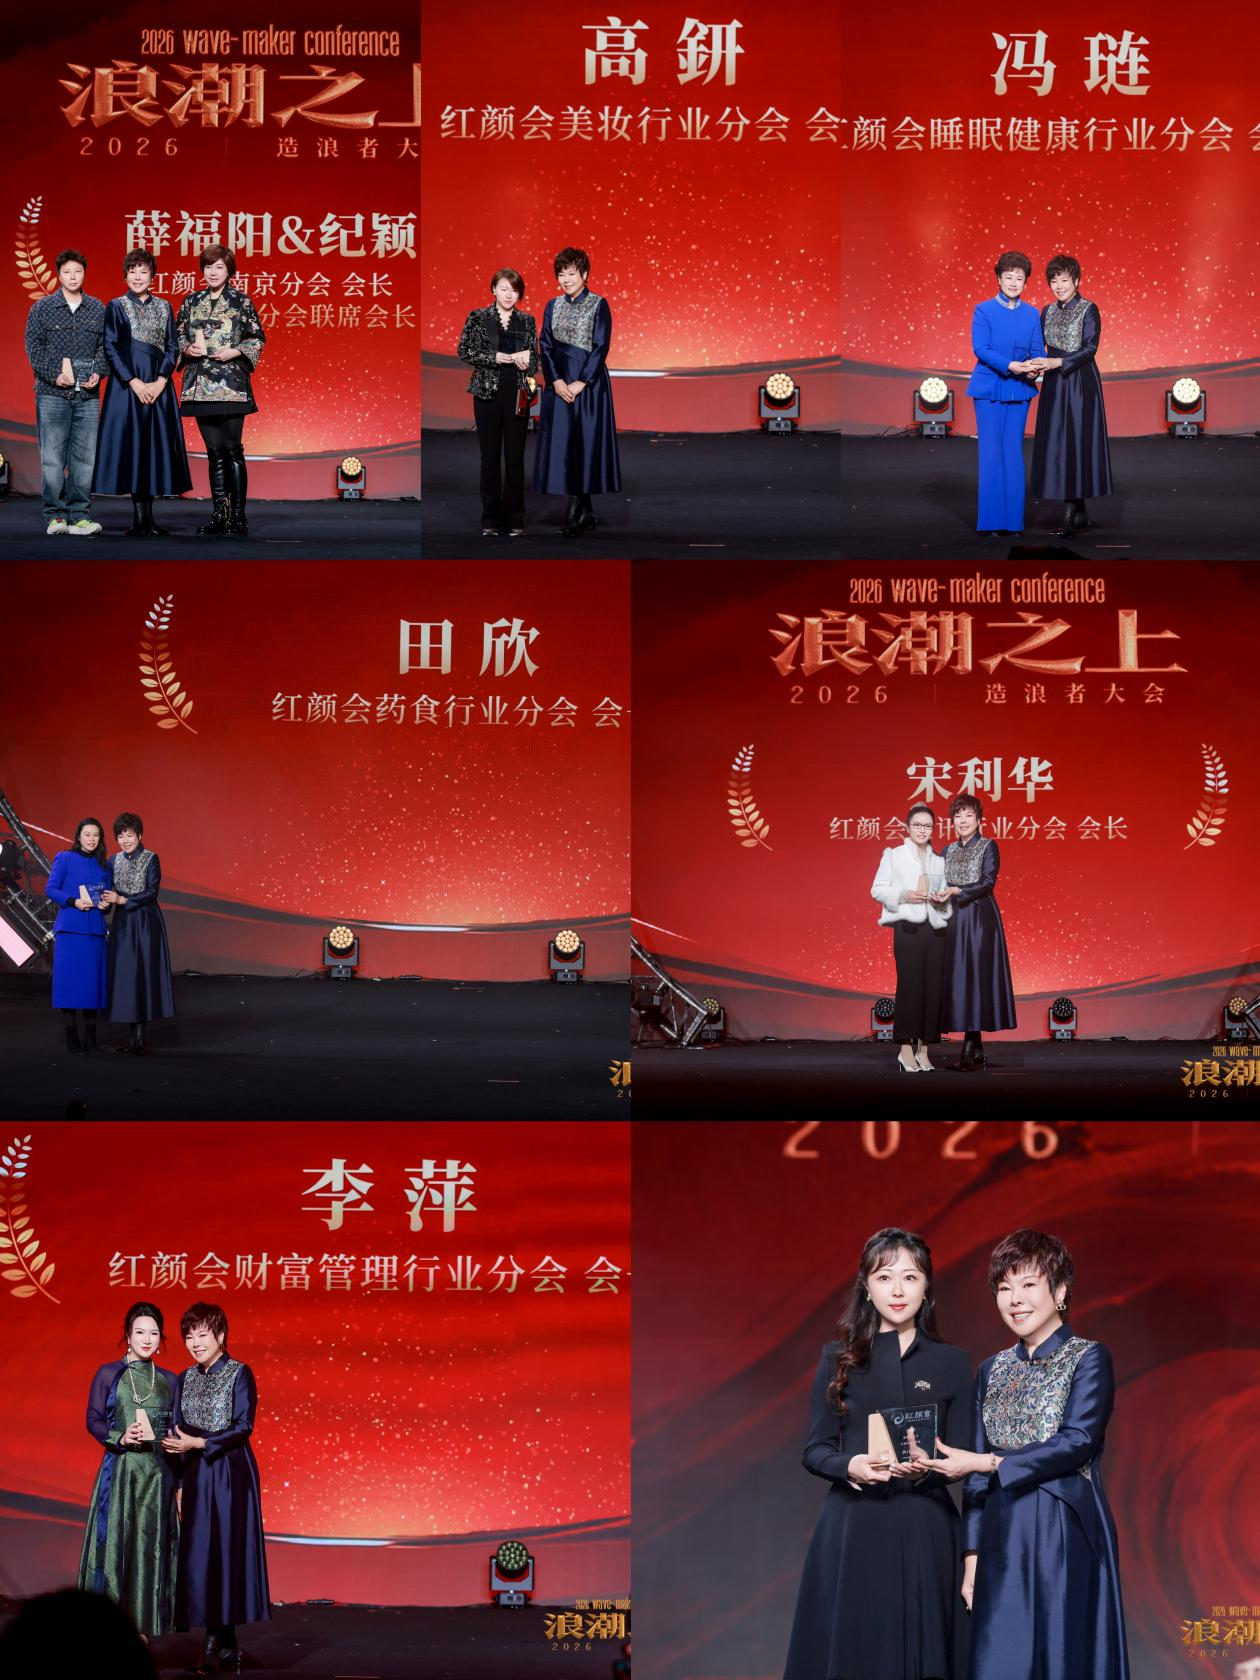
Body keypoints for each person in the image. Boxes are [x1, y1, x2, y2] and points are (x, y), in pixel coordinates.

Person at [920, 1230, 1130, 1680]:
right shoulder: (991, 1369)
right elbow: (975, 1476)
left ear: (1060, 1290)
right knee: (1000, 1660)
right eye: (1004, 1288)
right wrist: (971, 1557)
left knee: (1063, 1657)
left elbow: (1077, 1442)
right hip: (1001, 1534)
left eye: (1029, 1284)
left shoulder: (1089, 1358)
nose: (1015, 1299)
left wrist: (989, 1463)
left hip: (1064, 1528)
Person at [784, 1227, 973, 1680]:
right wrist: (850, 1465)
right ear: (867, 1288)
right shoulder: (838, 1358)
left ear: (926, 1286)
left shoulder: (953, 1362)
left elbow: (965, 1456)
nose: (898, 1290)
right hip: (854, 1526)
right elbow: (815, 1449)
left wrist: (933, 1468)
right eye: (885, 1277)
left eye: (910, 1277)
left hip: (927, 1527)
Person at [163, 1302, 271, 1677]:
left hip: (228, 1471)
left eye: (202, 1335)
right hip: (195, 1473)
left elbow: (243, 1426)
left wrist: (201, 1444)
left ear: (220, 1336)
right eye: (189, 1337)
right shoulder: (185, 1377)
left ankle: (214, 1642)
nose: (195, 1343)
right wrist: (179, 1481)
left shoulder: (240, 1373)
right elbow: (177, 1428)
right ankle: (226, 1644)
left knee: (224, 1552)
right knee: (200, 1555)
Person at [78, 1302, 180, 1641]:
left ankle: (143, 1631)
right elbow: (93, 1418)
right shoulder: (108, 1373)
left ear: (161, 1338)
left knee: (149, 1552)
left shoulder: (169, 1380)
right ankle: (109, 1631)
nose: (147, 1339)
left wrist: (180, 1482)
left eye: (154, 1333)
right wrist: (119, 1436)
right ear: (127, 1335)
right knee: (115, 1548)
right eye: (140, 1332)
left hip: (157, 1478)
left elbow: (175, 1431)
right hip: (120, 1473)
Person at [93, 249, 192, 536]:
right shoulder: (116, 306)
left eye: (143, 272)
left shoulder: (164, 306)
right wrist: (134, 382)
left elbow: (172, 346)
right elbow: (111, 347)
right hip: (127, 389)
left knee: (153, 447)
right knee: (133, 446)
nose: (138, 277)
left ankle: (149, 519)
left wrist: (161, 381)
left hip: (158, 387)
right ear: (125, 276)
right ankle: (138, 520)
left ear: (152, 276)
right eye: (132, 271)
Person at [175, 246, 265, 539]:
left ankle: (238, 518)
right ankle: (219, 516)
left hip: (231, 385)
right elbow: (178, 336)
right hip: (200, 384)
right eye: (208, 267)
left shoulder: (241, 301)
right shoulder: (191, 301)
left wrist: (235, 351)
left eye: (219, 267)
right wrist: (187, 349)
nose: (213, 272)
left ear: (229, 271)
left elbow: (256, 338)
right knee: (214, 453)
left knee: (232, 450)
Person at [534, 246, 621, 537]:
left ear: (584, 274)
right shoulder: (552, 305)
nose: (566, 280)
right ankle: (586, 511)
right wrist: (556, 381)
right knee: (564, 444)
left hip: (589, 385)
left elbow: (600, 346)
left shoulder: (598, 304)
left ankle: (576, 511)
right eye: (561, 274)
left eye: (571, 273)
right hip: (559, 384)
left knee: (585, 444)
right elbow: (545, 345)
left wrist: (582, 381)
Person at [24, 249, 107, 536]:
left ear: (85, 274)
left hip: (87, 395)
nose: (73, 277)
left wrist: (98, 371)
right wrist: (54, 375)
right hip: (52, 394)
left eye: (78, 271)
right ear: (58, 275)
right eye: (67, 272)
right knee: (52, 458)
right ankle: (55, 516)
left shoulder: (97, 308)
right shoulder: (43, 308)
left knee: (84, 459)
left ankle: (79, 516)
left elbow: (105, 347)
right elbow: (33, 346)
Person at [1029, 254, 1113, 539]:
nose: (1059, 286)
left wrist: (1059, 362)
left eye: (1064, 280)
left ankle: (1073, 510)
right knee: (1058, 441)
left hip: (1079, 381)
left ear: (1076, 280)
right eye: (1054, 281)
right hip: (1054, 382)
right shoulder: (1047, 311)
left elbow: (1090, 348)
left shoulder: (1089, 308)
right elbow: (1040, 346)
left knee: (1077, 440)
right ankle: (1078, 510)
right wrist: (1034, 366)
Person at [934, 795, 1016, 1071]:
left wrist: (959, 890)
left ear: (979, 820)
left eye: (968, 815)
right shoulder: (946, 850)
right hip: (952, 918)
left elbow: (987, 882)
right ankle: (975, 1045)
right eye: (958, 816)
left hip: (978, 917)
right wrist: (937, 893)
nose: (963, 821)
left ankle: (969, 1047)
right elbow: (938, 881)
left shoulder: (988, 846)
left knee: (976, 976)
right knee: (959, 977)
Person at [965, 253, 1044, 538]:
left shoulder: (1032, 314)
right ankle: (990, 522)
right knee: (991, 454)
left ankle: (1013, 523)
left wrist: (1034, 369)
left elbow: (1037, 351)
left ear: (1025, 282)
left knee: (1012, 453)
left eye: (1019, 278)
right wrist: (1010, 365)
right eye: (1008, 277)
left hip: (1019, 390)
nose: (1013, 282)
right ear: (998, 279)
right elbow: (981, 349)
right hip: (989, 389)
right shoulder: (983, 310)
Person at [456, 267, 539, 537]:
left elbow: (535, 359)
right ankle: (490, 519)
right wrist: (495, 358)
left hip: (517, 393)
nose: (509, 295)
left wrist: (528, 363)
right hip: (487, 394)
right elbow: (464, 350)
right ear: (493, 289)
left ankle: (515, 519)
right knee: (489, 458)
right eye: (503, 289)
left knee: (515, 458)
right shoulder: (479, 317)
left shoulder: (527, 321)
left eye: (514, 290)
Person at [871, 803, 953, 1074]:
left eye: (927, 826)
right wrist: (903, 895)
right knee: (910, 986)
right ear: (907, 827)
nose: (922, 830)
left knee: (933, 988)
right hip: (908, 927)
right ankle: (905, 1048)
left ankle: (925, 1049)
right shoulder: (894, 855)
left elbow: (944, 897)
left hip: (935, 929)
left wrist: (942, 900)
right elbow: (877, 889)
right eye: (917, 825)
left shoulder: (939, 861)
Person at [100, 812, 174, 1056]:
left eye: (129, 835)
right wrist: (105, 902)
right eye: (120, 836)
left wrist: (123, 900)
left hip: (144, 922)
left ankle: (140, 1039)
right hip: (123, 923)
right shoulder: (113, 860)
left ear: (139, 835)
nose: (124, 840)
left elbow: (152, 892)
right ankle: (133, 1039)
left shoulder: (151, 858)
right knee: (126, 976)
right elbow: (108, 891)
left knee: (142, 974)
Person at [44, 817, 111, 1055]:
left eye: (96, 835)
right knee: (70, 984)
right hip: (71, 930)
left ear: (101, 838)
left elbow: (106, 899)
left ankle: (91, 1039)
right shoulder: (65, 858)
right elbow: (51, 888)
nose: (92, 839)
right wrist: (73, 901)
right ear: (79, 837)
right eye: (87, 834)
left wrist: (106, 905)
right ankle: (72, 1036)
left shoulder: (105, 866)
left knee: (92, 986)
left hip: (94, 932)